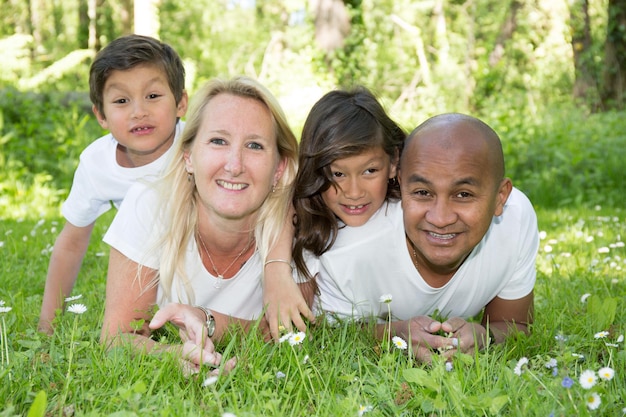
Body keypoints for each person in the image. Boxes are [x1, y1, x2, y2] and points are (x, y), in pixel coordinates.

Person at [299, 113, 538, 364]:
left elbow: (515, 325)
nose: (440, 218)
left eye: (464, 194)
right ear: (401, 184)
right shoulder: (347, 252)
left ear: (500, 197)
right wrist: (390, 334)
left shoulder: (515, 220)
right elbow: (324, 334)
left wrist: (483, 336)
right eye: (423, 192)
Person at [100, 76, 301, 372]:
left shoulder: (298, 226)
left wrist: (205, 319)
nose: (234, 165)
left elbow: (293, 333)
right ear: (188, 156)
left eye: (255, 145)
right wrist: (173, 355)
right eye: (218, 141)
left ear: (279, 168)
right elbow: (116, 336)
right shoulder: (150, 205)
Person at [38, 34, 188, 334]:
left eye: (153, 96)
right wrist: (47, 324)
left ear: (181, 103)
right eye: (121, 101)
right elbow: (71, 243)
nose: (138, 111)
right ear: (101, 115)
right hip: (147, 264)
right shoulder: (97, 163)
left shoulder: (197, 148)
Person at [291, 85, 405, 301]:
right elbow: (303, 322)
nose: (354, 193)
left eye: (369, 171)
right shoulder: (313, 233)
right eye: (337, 174)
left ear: (393, 162)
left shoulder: (409, 216)